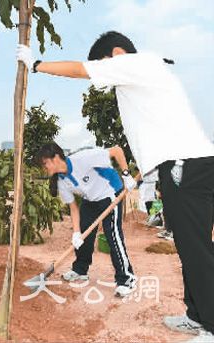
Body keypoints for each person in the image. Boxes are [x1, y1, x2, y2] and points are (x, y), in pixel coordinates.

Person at [17, 31, 214, 342]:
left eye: (103, 65)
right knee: (190, 247)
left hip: (183, 165)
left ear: (115, 54)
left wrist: (37, 64)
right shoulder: (145, 71)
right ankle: (197, 315)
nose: (103, 75)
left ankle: (211, 325)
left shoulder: (134, 64)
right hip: (181, 165)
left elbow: (81, 70)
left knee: (195, 249)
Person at [37, 142, 137, 297]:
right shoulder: (62, 181)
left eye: (45, 163)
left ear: (55, 158)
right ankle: (80, 269)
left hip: (110, 193)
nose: (45, 168)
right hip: (90, 200)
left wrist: (126, 175)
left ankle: (127, 279)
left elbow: (117, 151)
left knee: (113, 235)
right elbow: (73, 208)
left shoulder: (83, 158)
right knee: (84, 233)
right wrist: (76, 233)